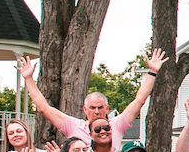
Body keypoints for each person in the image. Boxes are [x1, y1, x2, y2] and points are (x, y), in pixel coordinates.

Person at [16, 48, 166, 146]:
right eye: (92, 108)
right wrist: (29, 78)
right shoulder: (74, 126)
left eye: (100, 107)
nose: (96, 111)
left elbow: (139, 101)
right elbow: (43, 108)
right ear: (85, 109)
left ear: (107, 109)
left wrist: (152, 72)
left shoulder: (116, 125)